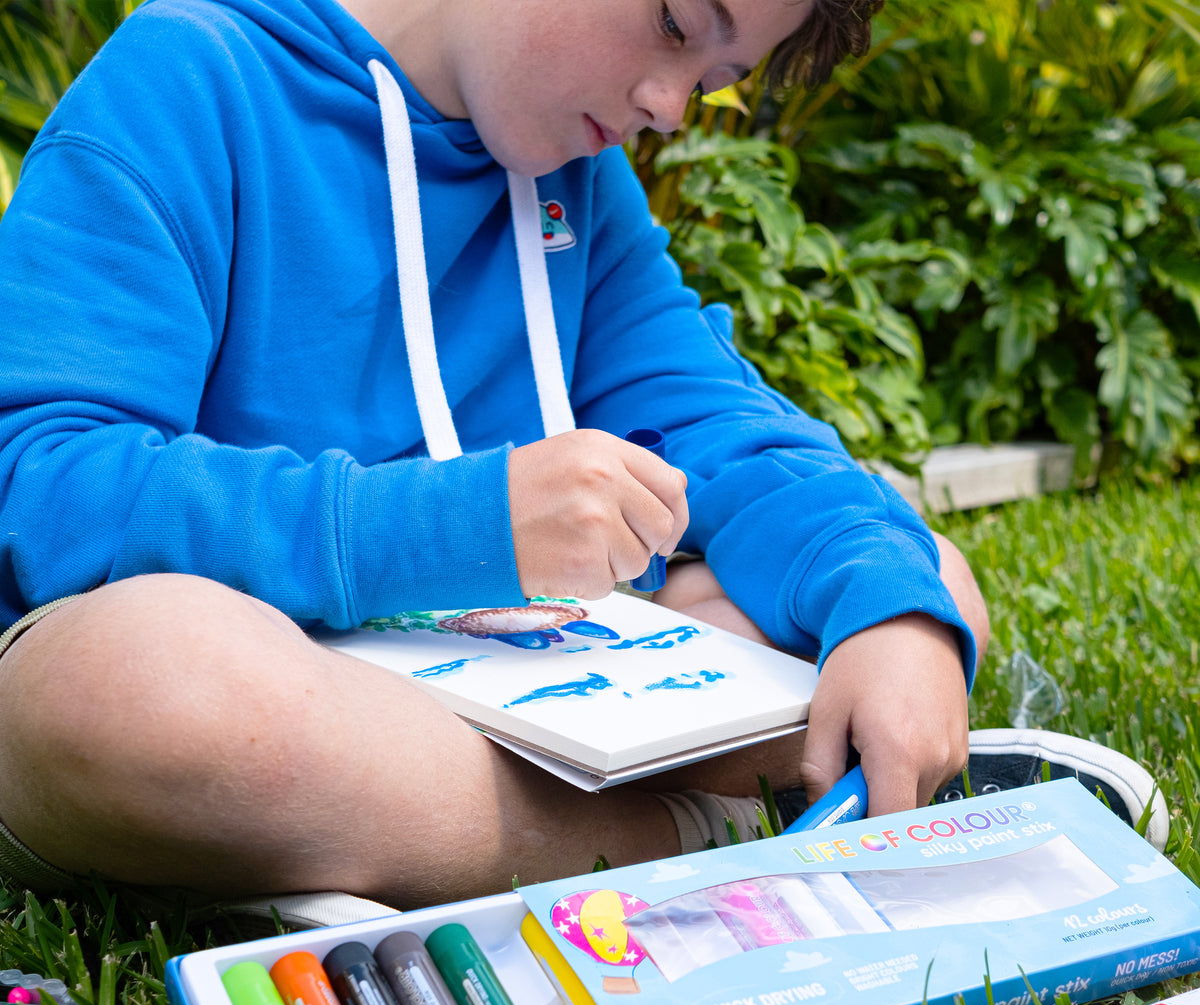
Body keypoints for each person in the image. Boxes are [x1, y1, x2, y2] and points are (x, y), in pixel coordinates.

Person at [0, 0, 1163, 913]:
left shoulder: (572, 180)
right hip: (272, 674)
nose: (670, 105)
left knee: (913, 578)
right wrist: (460, 524)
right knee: (152, 695)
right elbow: (41, 480)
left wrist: (889, 610)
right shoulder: (188, 77)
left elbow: (722, 426)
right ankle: (717, 838)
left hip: (508, 692)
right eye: (675, 22)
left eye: (715, 77)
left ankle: (416, 842)